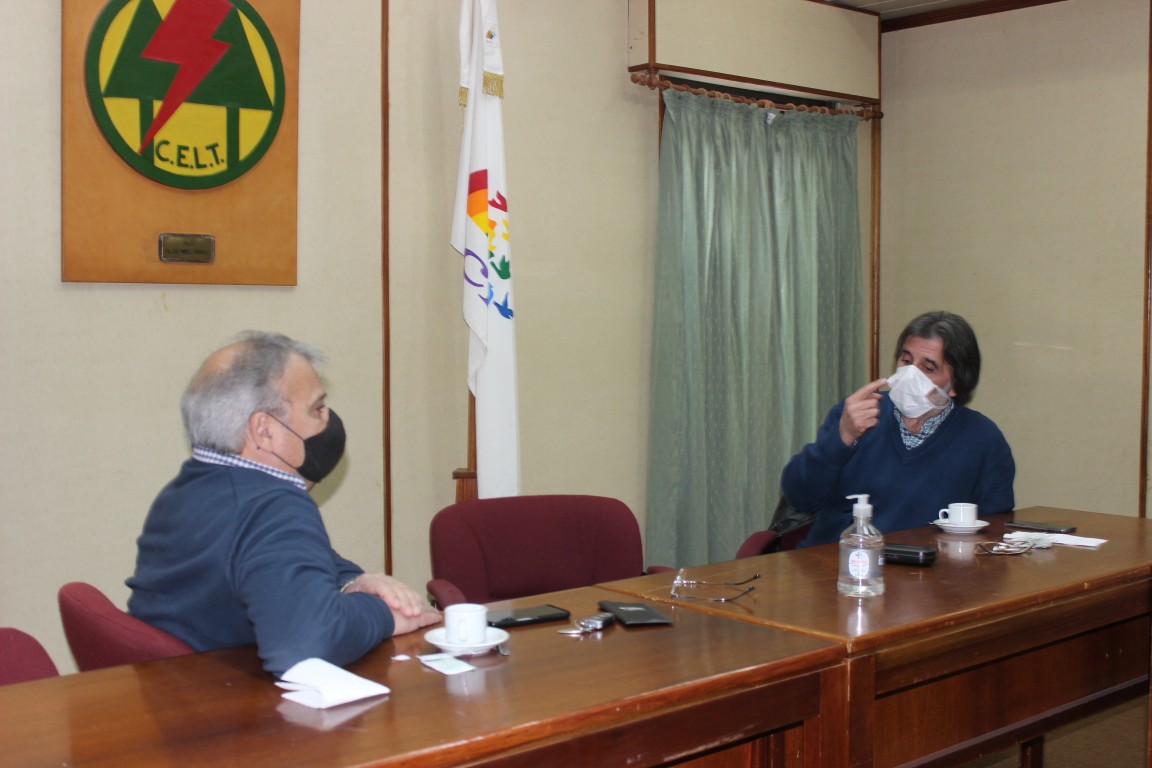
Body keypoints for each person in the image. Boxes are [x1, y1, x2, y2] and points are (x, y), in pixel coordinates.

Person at [127, 331, 441, 675]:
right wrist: (381, 613)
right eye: (317, 409)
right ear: (264, 430)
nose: (328, 420)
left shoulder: (191, 487)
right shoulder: (272, 504)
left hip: (179, 684)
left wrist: (352, 582)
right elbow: (304, 648)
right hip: (223, 700)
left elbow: (283, 560)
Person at [781, 311, 1015, 547]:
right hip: (839, 559)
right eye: (906, 361)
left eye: (928, 368)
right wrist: (843, 437)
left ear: (955, 384)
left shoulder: (983, 439)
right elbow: (800, 497)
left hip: (928, 566)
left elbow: (994, 530)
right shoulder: (858, 413)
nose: (910, 374)